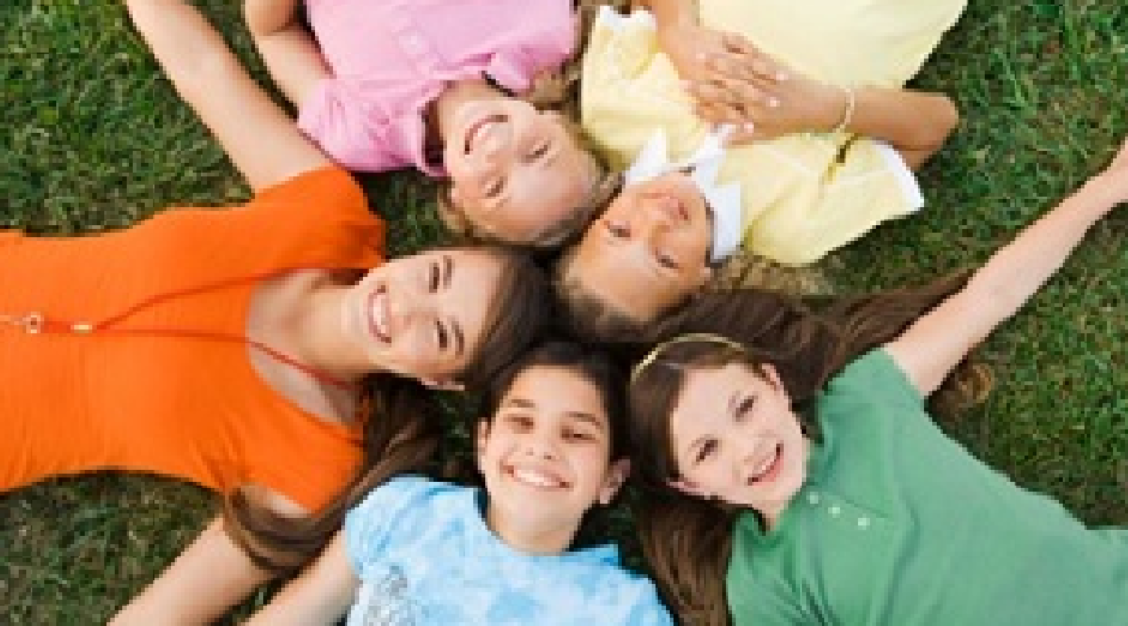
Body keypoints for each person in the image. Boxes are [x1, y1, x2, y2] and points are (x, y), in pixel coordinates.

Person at [0, 0, 551, 622]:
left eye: (443, 333)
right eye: (434, 276)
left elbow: (159, 614)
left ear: (441, 379)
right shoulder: (327, 216)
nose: (406, 306)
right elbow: (204, 70)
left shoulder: (312, 462)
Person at [624, 130, 1128, 624]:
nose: (747, 448)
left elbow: (990, 296)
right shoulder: (762, 588)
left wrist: (1106, 190)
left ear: (773, 385)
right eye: (706, 450)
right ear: (691, 486)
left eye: (744, 407)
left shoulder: (866, 399)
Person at [557, 0, 965, 339]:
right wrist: (821, 108)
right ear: (701, 285)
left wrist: (676, 31)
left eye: (619, 231)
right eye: (665, 259)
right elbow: (935, 123)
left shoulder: (611, 115)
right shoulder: (794, 227)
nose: (656, 221)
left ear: (595, 218)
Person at [242, 341, 675, 625]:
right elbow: (297, 613)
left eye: (576, 434)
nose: (541, 447)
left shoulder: (620, 611)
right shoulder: (406, 513)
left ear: (611, 480)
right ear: (484, 443)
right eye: (521, 421)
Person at [241, 0, 618, 247]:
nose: (497, 151)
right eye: (538, 152)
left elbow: (272, 32)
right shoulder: (545, 35)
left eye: (494, 186)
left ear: (459, 203)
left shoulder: (363, 135)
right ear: (559, 122)